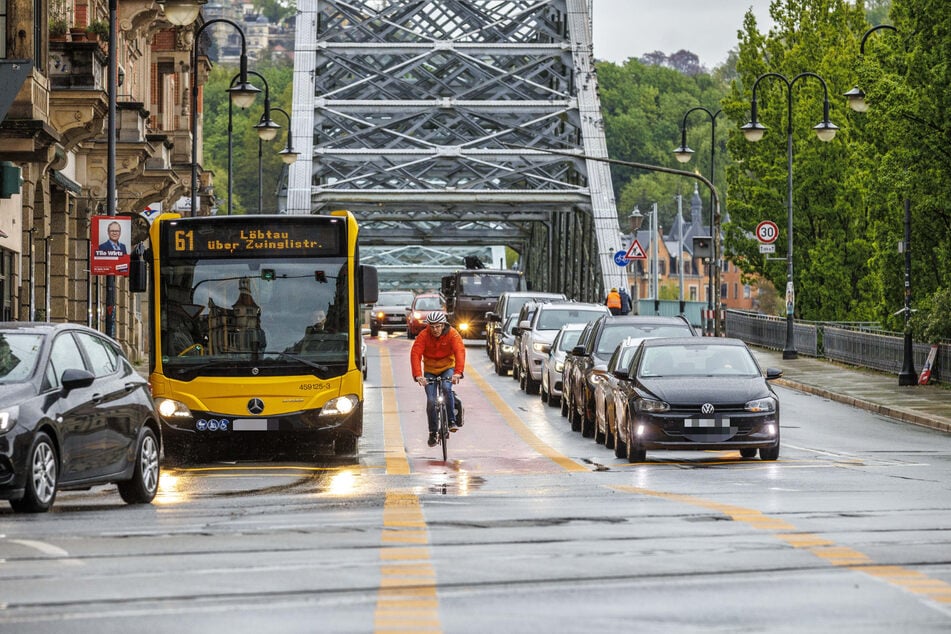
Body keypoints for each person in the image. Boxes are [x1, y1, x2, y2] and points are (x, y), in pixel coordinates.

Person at [410, 310, 466, 447]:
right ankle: (433, 432)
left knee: (447, 388)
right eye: (432, 326)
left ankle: (452, 421)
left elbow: (460, 352)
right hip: (430, 370)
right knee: (431, 400)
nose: (435, 330)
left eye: (438, 326)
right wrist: (418, 375)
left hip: (447, 367)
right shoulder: (423, 336)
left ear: (443, 325)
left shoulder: (453, 334)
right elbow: (415, 354)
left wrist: (458, 373)